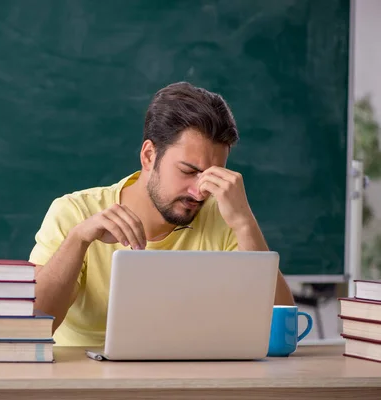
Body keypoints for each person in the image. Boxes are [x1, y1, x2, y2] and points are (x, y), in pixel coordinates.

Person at [28, 82, 295, 347]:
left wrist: (244, 222)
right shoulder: (75, 212)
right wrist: (78, 241)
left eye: (214, 176)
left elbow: (283, 335)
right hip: (85, 383)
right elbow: (36, 325)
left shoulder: (226, 216)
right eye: (188, 171)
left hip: (186, 382)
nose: (199, 192)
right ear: (148, 156)